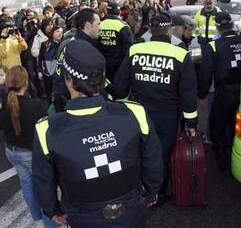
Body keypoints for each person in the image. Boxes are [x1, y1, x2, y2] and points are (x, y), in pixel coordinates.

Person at [32, 40, 163, 228]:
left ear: (69, 80)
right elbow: (153, 160)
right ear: (102, 79)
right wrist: (152, 191)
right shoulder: (134, 112)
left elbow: (43, 182)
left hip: (82, 217)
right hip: (131, 210)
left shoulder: (47, 129)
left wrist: (53, 211)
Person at [114, 13, 198, 200]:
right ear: (169, 30)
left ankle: (138, 187)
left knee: (139, 150)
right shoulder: (180, 54)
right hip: (166, 116)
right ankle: (157, 192)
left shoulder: (135, 50)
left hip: (139, 113)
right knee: (160, 153)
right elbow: (188, 94)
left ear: (151, 30)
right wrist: (191, 123)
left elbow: (119, 87)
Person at [0, 66, 57, 228]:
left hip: (11, 151)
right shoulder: (34, 105)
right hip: (30, 153)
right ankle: (49, 224)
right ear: (25, 82)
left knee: (26, 184)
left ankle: (37, 219)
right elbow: (46, 128)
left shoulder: (4, 103)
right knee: (43, 188)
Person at [198, 12, 241, 171]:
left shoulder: (213, 46)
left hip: (224, 94)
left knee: (216, 126)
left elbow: (206, 74)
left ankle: (222, 162)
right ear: (232, 25)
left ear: (218, 27)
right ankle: (236, 155)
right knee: (237, 125)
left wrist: (202, 94)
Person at [53, 8, 102, 112]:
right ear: (88, 25)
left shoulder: (73, 43)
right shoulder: (81, 48)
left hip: (66, 101)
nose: (100, 28)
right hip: (75, 104)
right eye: (98, 24)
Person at [98, 1, 134, 82]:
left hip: (103, 65)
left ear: (106, 11)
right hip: (120, 66)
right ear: (119, 12)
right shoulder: (123, 26)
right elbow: (129, 48)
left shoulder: (99, 25)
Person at [38, 26, 64, 103]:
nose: (60, 34)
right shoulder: (45, 44)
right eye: (57, 32)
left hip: (59, 72)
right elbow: (40, 58)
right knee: (48, 92)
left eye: (61, 32)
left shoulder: (63, 45)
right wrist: (40, 70)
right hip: (47, 72)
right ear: (52, 33)